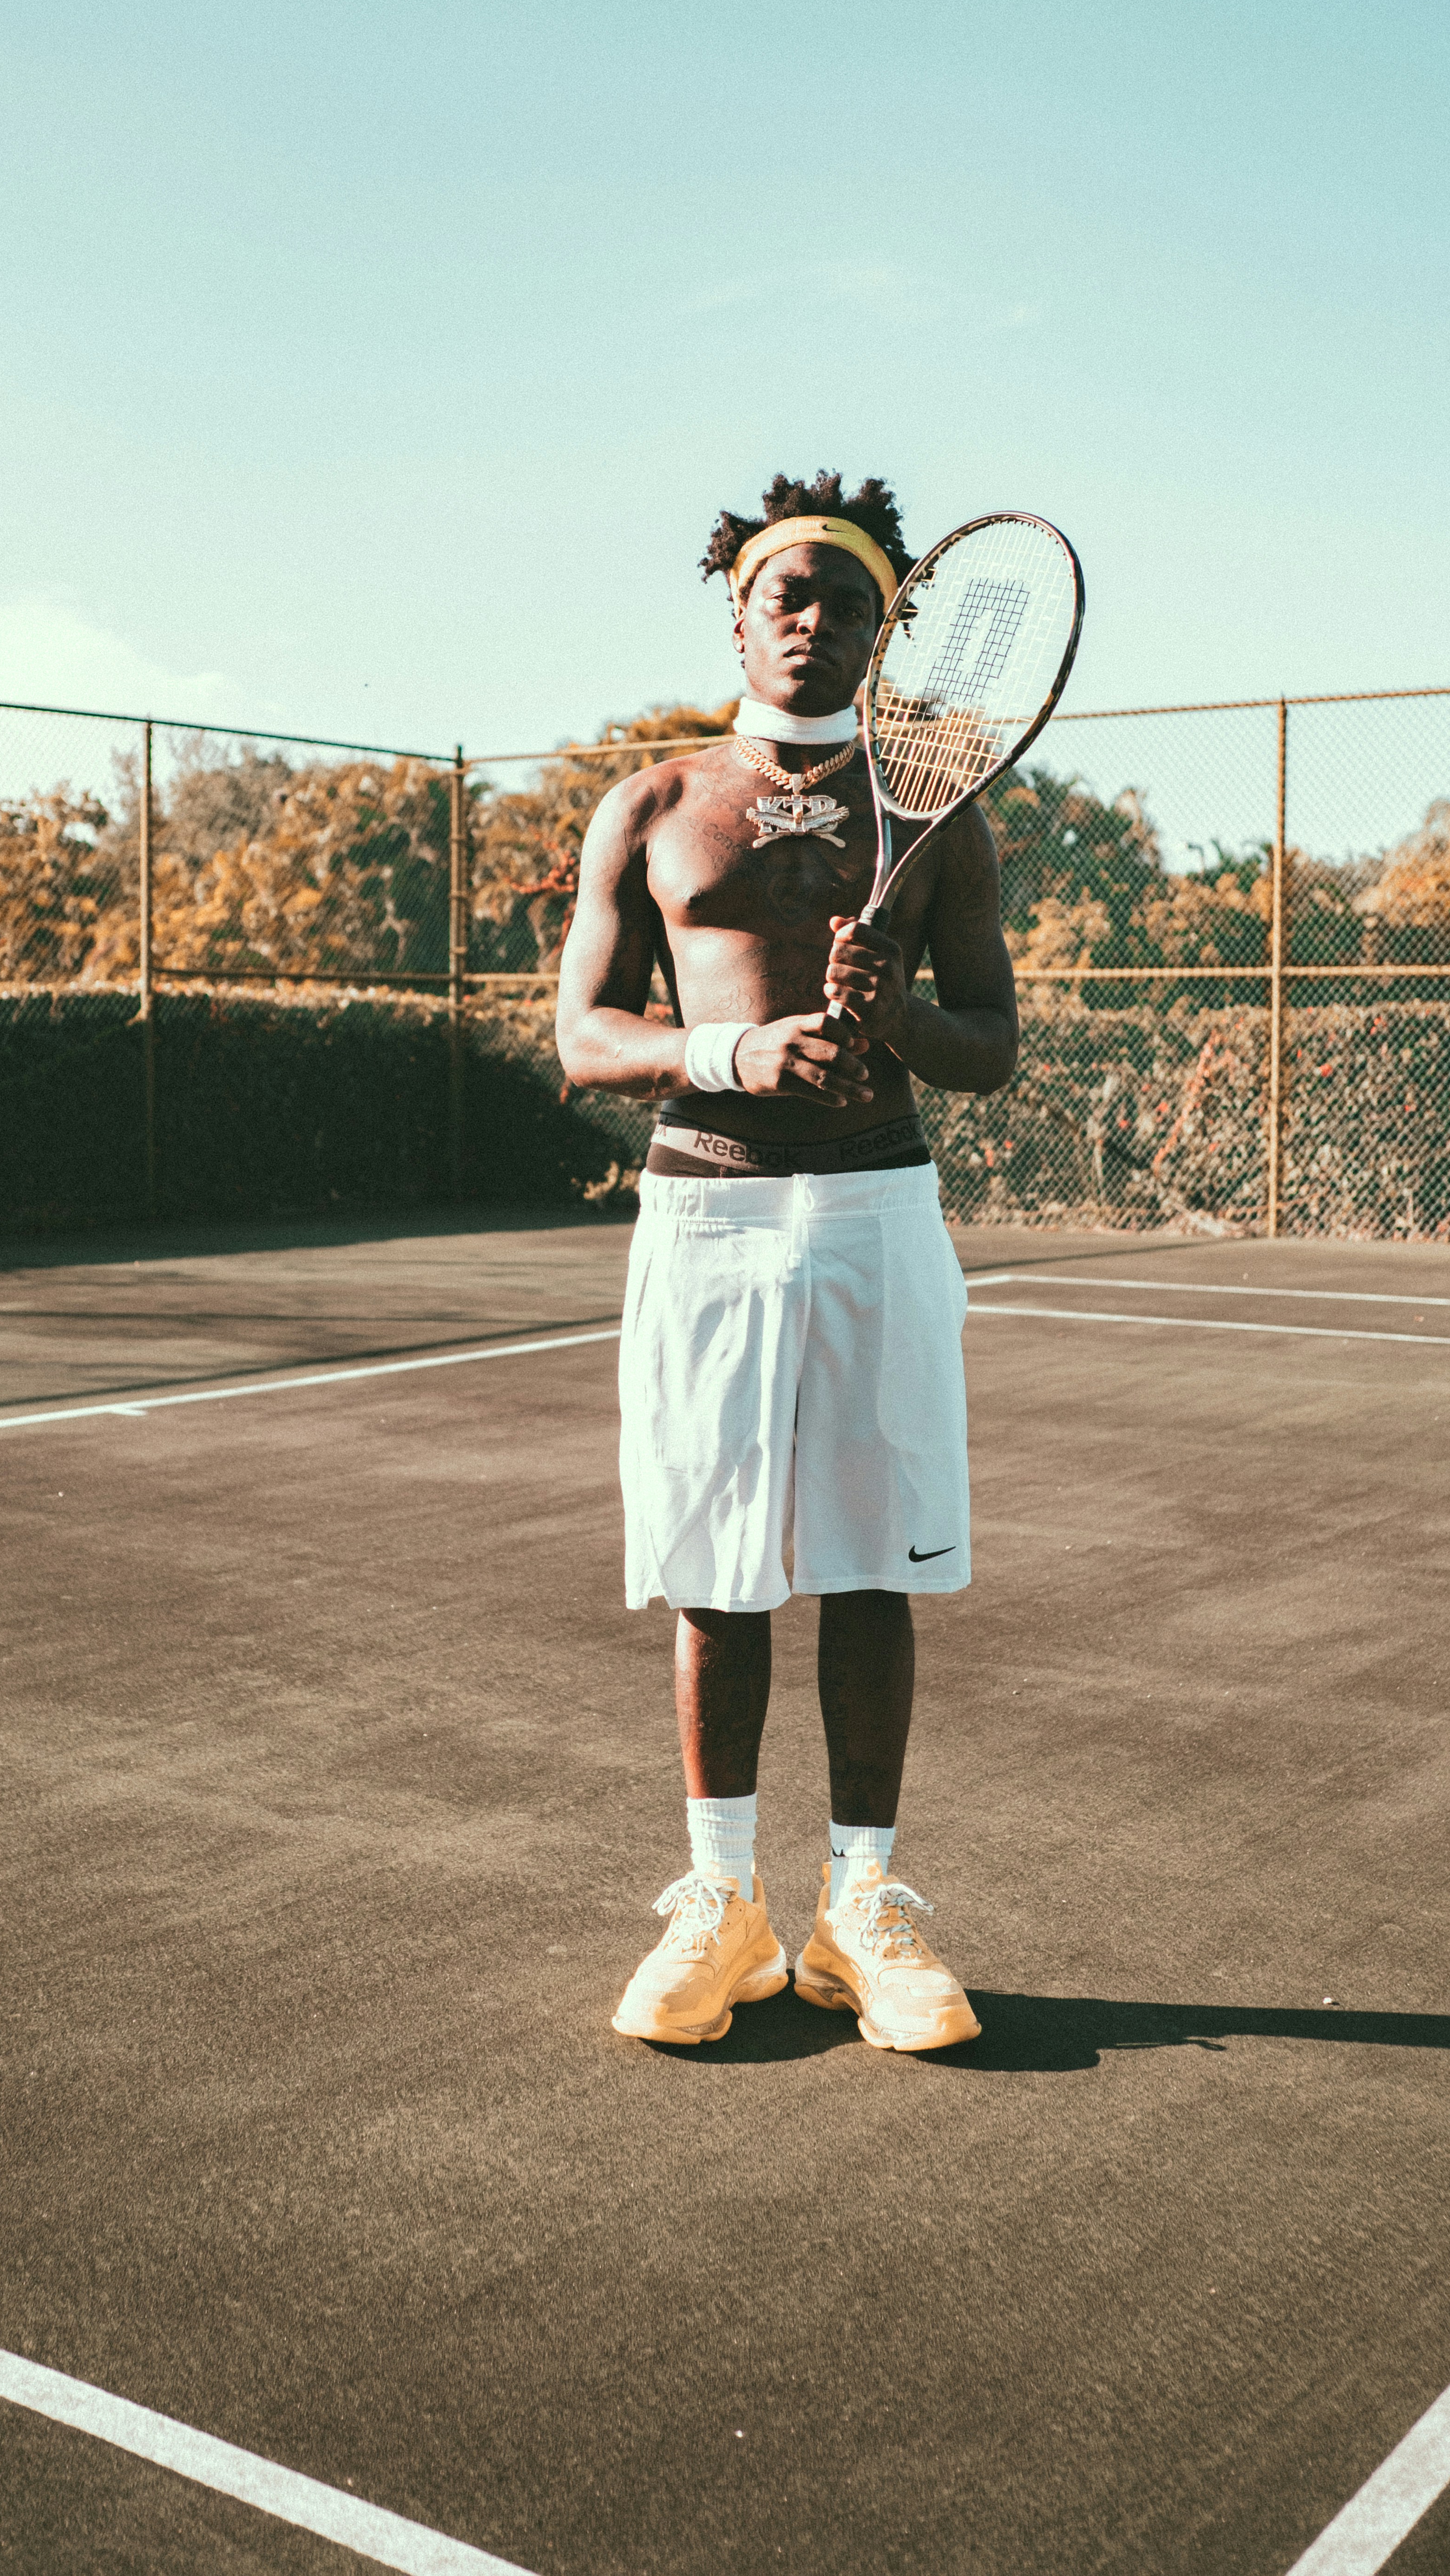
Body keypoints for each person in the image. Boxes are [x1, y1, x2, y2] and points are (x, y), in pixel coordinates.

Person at [555, 470, 1018, 2053]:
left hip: (876, 1213)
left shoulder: (937, 818)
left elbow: (993, 1047)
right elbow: (583, 1037)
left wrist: (900, 1021)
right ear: (740, 616)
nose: (814, 620)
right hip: (710, 1211)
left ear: (889, 630)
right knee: (716, 1564)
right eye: (787, 595)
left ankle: (862, 1911)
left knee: (872, 1565)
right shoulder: (653, 801)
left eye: (848, 600)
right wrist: (741, 1051)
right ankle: (723, 1907)